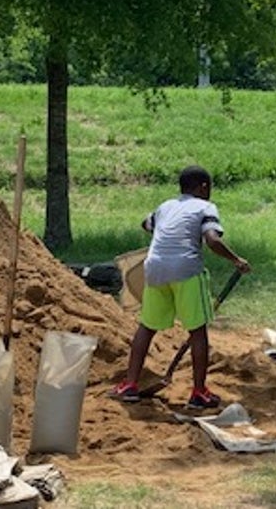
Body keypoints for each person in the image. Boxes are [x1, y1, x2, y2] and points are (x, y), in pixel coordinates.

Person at [110, 165, 250, 409]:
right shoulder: (205, 207)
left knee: (147, 327)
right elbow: (212, 240)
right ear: (203, 187)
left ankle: (130, 384)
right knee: (197, 331)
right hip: (186, 271)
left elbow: (146, 224)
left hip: (154, 268)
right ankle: (199, 392)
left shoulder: (166, 206)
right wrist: (236, 259)